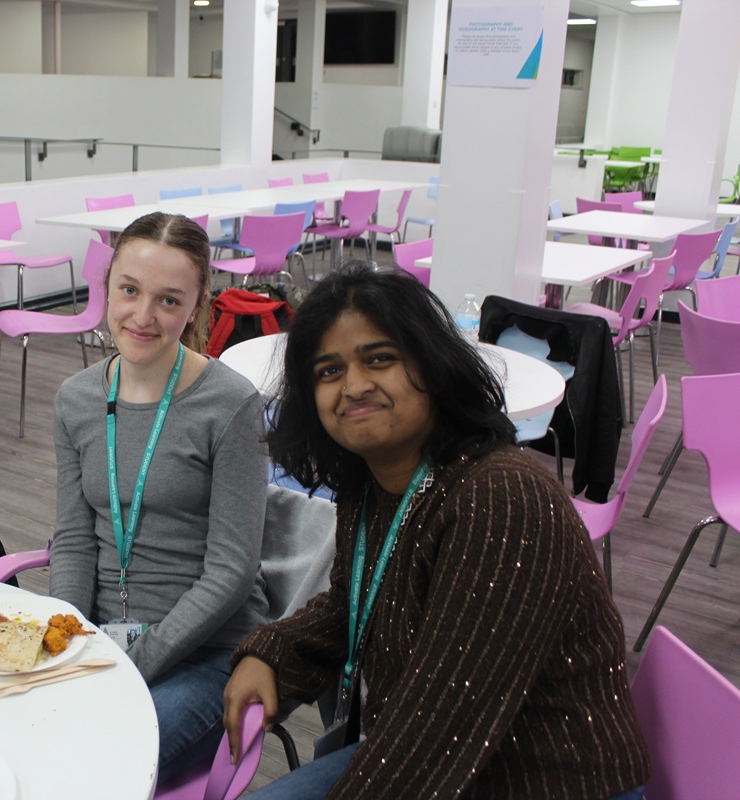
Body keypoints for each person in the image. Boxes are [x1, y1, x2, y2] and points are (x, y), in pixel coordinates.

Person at [222, 264, 649, 799]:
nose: (353, 386)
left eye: (379, 359)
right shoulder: (374, 480)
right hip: (431, 750)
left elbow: (440, 729)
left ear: (434, 367)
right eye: (328, 372)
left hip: (539, 777)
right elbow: (355, 604)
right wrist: (272, 652)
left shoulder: (501, 500)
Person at [48, 212, 270, 783]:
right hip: (100, 639)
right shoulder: (76, 399)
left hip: (206, 649)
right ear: (107, 287)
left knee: (90, 765)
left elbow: (231, 572)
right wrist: (69, 637)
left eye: (169, 301)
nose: (142, 317)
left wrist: (131, 664)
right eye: (129, 291)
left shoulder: (230, 405)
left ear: (197, 306)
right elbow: (73, 540)